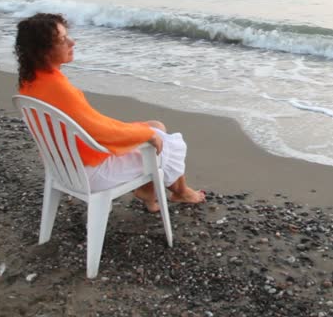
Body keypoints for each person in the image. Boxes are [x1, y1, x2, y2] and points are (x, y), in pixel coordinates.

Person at [15, 13, 204, 212]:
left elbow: (89, 123)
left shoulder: (31, 81)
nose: (72, 42)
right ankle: (181, 192)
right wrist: (146, 135)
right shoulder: (57, 88)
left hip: (63, 164)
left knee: (156, 126)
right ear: (43, 52)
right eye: (62, 40)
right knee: (164, 141)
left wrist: (142, 131)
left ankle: (149, 191)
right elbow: (96, 131)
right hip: (89, 171)